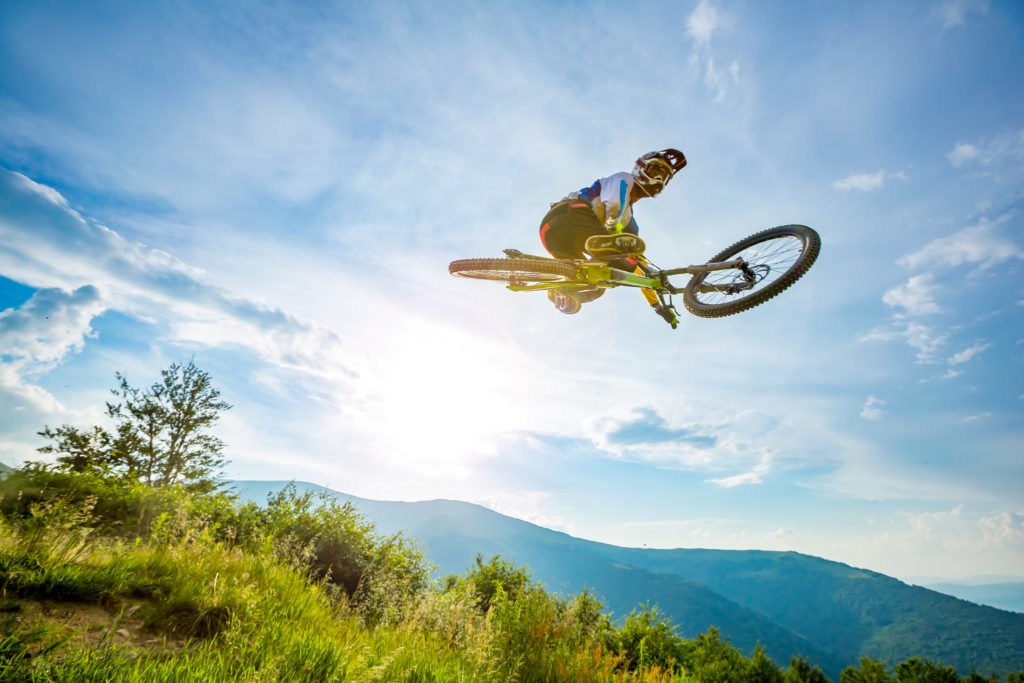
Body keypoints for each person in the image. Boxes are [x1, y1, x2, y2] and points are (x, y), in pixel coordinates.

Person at [538, 148, 686, 326]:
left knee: (598, 282)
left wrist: (657, 305)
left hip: (551, 237)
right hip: (569, 216)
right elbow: (615, 202)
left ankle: (561, 292)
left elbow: (639, 267)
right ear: (640, 167)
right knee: (619, 257)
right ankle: (606, 249)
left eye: (664, 178)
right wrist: (614, 230)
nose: (658, 179)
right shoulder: (623, 179)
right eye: (655, 171)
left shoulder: (630, 222)